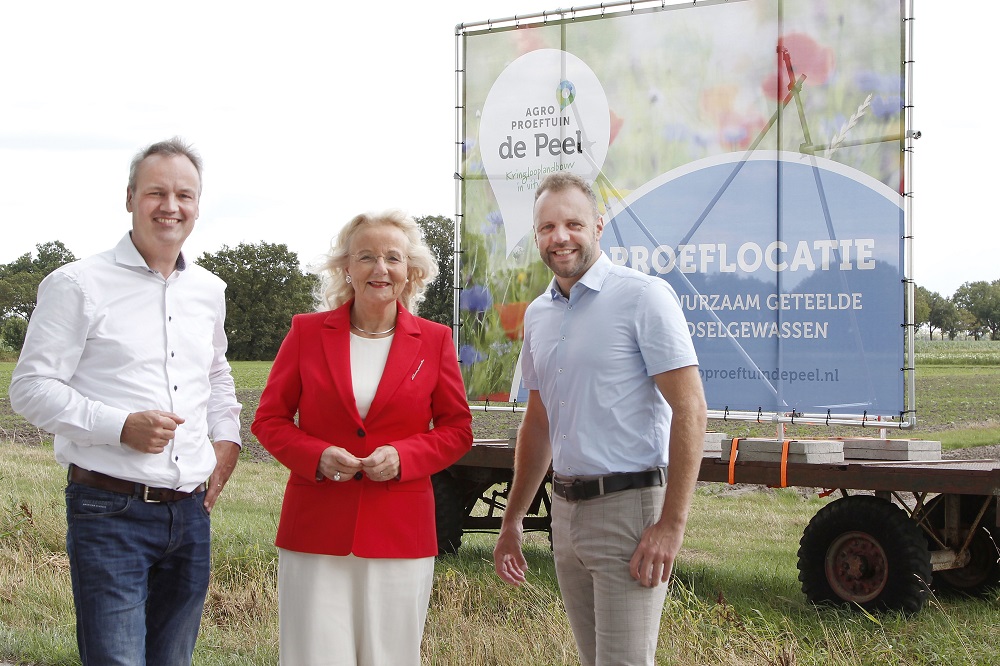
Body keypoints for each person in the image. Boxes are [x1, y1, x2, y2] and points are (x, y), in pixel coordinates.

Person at [9, 137, 242, 666]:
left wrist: (228, 437)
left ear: (198, 205)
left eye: (184, 194)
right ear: (130, 197)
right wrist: (119, 426)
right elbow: (30, 387)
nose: (170, 206)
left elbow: (216, 371)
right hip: (109, 508)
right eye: (156, 192)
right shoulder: (76, 284)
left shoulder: (209, 290)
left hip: (191, 513)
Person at [493, 172, 708, 665]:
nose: (560, 237)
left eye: (573, 224)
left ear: (597, 226)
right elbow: (539, 422)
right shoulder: (538, 315)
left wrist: (671, 524)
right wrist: (512, 519)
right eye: (547, 227)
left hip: (629, 512)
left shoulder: (644, 297)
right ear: (536, 235)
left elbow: (691, 409)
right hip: (566, 513)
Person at [251, 209, 473, 666]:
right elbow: (269, 419)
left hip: (401, 533)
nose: (380, 268)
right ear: (346, 267)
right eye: (366, 256)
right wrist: (316, 455)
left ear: (411, 270)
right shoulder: (306, 332)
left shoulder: (435, 340)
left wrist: (403, 456)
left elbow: (457, 429)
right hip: (315, 530)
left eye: (393, 257)